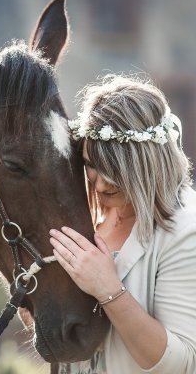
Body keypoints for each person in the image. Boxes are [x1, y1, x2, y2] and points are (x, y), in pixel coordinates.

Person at [49, 74, 196, 374]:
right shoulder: (89, 211)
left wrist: (108, 289)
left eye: (113, 170)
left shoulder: (186, 231)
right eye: (91, 165)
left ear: (147, 162)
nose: (100, 185)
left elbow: (181, 363)